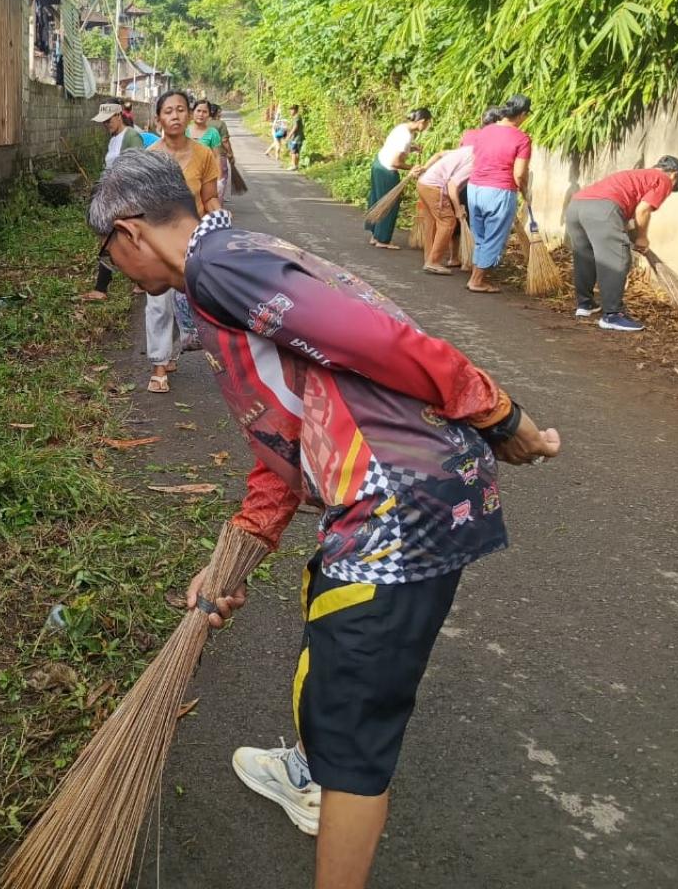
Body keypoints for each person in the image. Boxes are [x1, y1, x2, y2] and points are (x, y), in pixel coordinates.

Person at [88, 150, 561, 889]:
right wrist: (238, 550)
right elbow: (286, 425)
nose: (115, 273)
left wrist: (496, 410)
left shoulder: (219, 268)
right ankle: (313, 765)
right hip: (398, 496)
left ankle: (325, 778)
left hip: (393, 508)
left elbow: (377, 338)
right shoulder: (227, 263)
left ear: (128, 233)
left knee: (355, 732)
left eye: (107, 258)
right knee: (334, 631)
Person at [143, 90, 222, 392]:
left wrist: (220, 218)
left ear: (189, 115)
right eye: (168, 111)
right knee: (158, 303)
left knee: (186, 300)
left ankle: (172, 349)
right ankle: (158, 364)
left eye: (180, 110)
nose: (175, 116)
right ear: (158, 119)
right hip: (159, 239)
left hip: (193, 240)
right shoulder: (150, 157)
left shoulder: (203, 155)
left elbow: (209, 197)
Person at [565, 156, 678, 332]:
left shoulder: (636, 175)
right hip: (603, 209)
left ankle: (585, 304)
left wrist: (633, 235)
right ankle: (612, 315)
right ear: (674, 174)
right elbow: (642, 210)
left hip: (576, 206)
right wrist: (642, 237)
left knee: (585, 256)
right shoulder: (664, 179)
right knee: (617, 258)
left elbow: (622, 215)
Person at [464, 94, 533, 293]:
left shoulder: (484, 131)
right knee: (494, 237)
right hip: (499, 190)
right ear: (522, 114)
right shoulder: (522, 138)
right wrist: (525, 190)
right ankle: (476, 280)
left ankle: (476, 275)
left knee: (480, 235)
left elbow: (476, 158)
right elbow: (519, 174)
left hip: (474, 188)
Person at [81, 102, 146, 303]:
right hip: (111, 196)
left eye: (108, 120)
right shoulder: (113, 139)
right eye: (103, 122)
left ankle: (107, 287)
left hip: (126, 197)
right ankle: (136, 281)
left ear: (119, 115)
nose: (106, 124)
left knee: (114, 239)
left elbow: (137, 168)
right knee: (110, 239)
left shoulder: (131, 136)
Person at [365, 109, 433, 249]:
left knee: (378, 200)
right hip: (387, 171)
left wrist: (411, 149)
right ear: (421, 122)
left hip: (378, 164)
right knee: (390, 204)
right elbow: (395, 162)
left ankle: (375, 235)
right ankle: (382, 240)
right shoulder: (406, 136)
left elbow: (394, 147)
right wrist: (412, 168)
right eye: (427, 123)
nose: (427, 127)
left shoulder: (402, 128)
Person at [415, 145, 472, 274]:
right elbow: (453, 185)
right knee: (448, 222)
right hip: (434, 187)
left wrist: (424, 168)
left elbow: (440, 154)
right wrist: (458, 210)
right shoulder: (476, 160)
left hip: (424, 182)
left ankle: (429, 259)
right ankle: (433, 262)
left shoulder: (467, 150)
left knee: (432, 223)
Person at [209, 102, 235, 200]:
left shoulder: (201, 123)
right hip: (219, 155)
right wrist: (230, 153)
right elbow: (225, 141)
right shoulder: (220, 124)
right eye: (219, 112)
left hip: (204, 155)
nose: (221, 114)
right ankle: (218, 200)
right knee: (221, 177)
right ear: (215, 112)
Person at [285, 104, 305, 171]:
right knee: (296, 152)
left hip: (296, 137)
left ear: (296, 110)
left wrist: (289, 135)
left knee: (293, 151)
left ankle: (294, 165)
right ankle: (296, 165)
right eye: (290, 110)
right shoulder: (296, 117)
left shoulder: (297, 117)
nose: (290, 111)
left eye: (292, 110)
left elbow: (295, 127)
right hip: (297, 137)